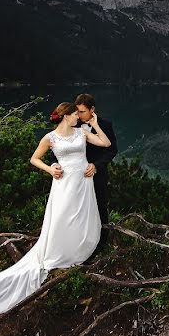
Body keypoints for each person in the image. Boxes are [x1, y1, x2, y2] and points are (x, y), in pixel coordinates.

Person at [0, 101, 112, 316]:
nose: (78, 117)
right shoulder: (49, 138)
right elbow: (34, 159)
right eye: (74, 115)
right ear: (66, 116)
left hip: (83, 181)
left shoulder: (82, 133)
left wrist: (95, 124)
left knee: (81, 216)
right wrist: (50, 169)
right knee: (61, 217)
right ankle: (59, 251)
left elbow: (105, 144)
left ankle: (79, 249)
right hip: (63, 182)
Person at [74, 93, 117, 248]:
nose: (79, 115)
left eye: (82, 111)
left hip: (98, 173)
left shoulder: (105, 125)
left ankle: (102, 241)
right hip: (77, 175)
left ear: (92, 109)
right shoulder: (73, 124)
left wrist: (96, 165)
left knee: (100, 205)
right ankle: (81, 240)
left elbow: (112, 150)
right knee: (79, 207)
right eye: (77, 111)